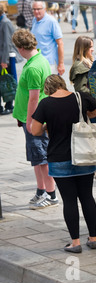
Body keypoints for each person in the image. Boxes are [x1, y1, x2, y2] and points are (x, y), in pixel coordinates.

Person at [31, 75, 96, 253]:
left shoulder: (45, 104)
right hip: (84, 154)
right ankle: (93, 238)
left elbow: (35, 130)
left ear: (47, 89)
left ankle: (75, 243)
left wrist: (48, 125)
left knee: (69, 201)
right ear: (62, 84)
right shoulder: (80, 97)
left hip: (59, 158)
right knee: (87, 196)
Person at [11, 28, 58, 210]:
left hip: (35, 119)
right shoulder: (39, 59)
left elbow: (33, 97)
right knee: (36, 158)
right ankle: (41, 190)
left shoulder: (32, 67)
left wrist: (30, 121)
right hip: (30, 118)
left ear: (21, 47)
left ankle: (51, 194)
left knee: (42, 157)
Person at [69, 35, 96, 179]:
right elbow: (81, 89)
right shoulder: (79, 66)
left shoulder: (89, 62)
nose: (93, 49)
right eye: (91, 47)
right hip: (90, 106)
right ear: (84, 49)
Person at [30, 1, 65, 75]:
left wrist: (61, 63)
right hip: (37, 61)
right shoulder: (34, 20)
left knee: (50, 86)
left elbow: (60, 43)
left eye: (38, 9)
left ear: (44, 9)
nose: (36, 11)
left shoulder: (51, 21)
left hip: (49, 62)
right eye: (34, 9)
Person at [0, 4, 20, 115]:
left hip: (6, 58)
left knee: (7, 82)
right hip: (2, 57)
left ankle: (9, 105)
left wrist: (4, 60)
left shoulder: (5, 22)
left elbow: (7, 43)